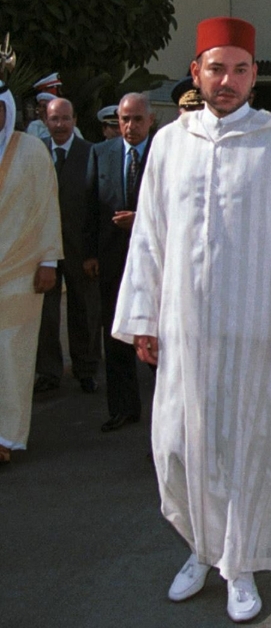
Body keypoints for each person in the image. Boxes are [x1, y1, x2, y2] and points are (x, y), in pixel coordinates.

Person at [111, 16, 271, 623]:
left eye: (240, 69)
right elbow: (150, 238)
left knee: (247, 450)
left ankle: (239, 565)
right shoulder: (169, 144)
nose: (228, 80)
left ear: (254, 75)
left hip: (258, 331)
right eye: (217, 68)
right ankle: (200, 548)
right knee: (178, 448)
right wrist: (142, 315)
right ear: (197, 72)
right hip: (185, 331)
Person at [83, 93, 154, 433]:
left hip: (155, 263)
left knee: (157, 338)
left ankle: (167, 419)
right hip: (112, 260)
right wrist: (90, 254)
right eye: (124, 120)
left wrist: (140, 219)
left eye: (137, 119)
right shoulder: (101, 154)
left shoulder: (164, 152)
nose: (130, 126)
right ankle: (123, 408)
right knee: (116, 335)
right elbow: (90, 209)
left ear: (150, 121)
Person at [0, 80, 62, 464]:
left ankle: (7, 436)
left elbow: (47, 206)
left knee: (12, 355)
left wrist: (48, 262)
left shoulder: (31, 150)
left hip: (21, 272)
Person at [35, 97, 100, 395]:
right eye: (53, 119)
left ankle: (85, 370)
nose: (59, 125)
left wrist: (92, 252)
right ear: (45, 121)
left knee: (83, 311)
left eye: (65, 119)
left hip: (80, 248)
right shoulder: (36, 154)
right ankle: (48, 372)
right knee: (45, 314)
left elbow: (98, 205)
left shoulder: (91, 153)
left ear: (75, 120)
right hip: (44, 249)